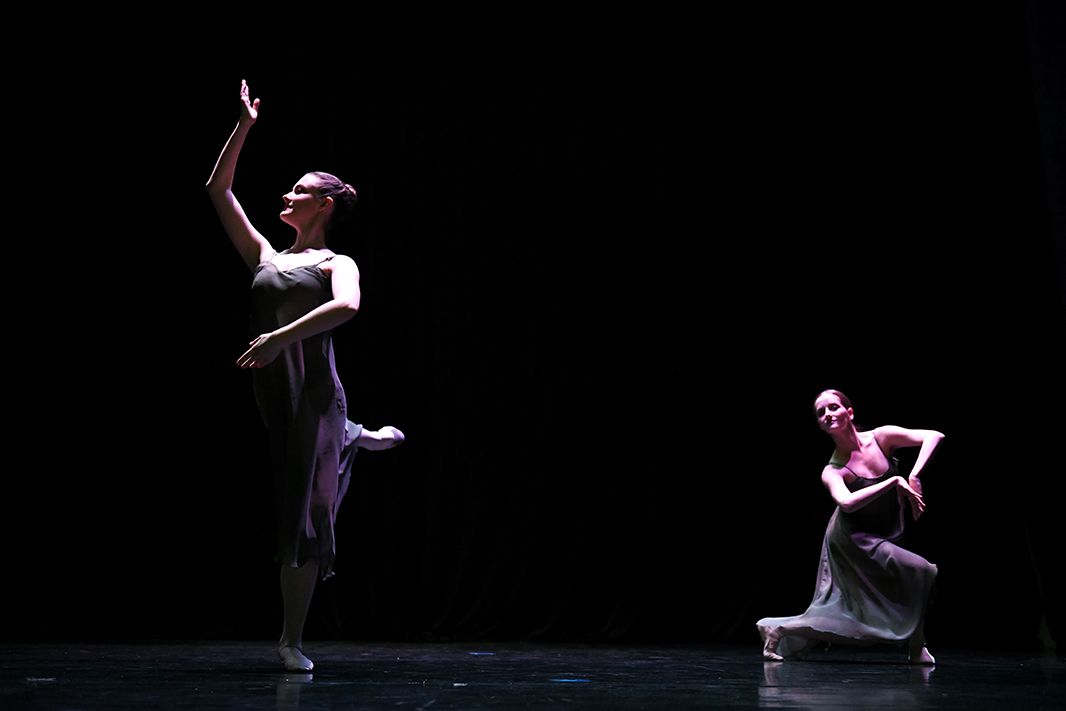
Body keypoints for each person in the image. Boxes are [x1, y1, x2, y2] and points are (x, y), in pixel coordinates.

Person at [206, 80, 405, 672]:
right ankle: (354, 436)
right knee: (297, 494)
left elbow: (348, 306)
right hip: (276, 394)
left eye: (299, 191)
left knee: (305, 514)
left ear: (324, 206)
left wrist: (278, 338)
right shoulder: (267, 256)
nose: (287, 196)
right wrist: (244, 126)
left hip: (315, 394)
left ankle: (290, 640)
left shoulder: (336, 262)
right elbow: (218, 190)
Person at [756, 389, 942, 664]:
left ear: (850, 412)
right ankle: (917, 646)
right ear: (820, 425)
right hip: (852, 539)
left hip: (881, 530)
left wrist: (914, 475)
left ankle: (778, 629)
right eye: (821, 413)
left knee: (905, 585)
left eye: (833, 407)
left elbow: (934, 436)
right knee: (917, 574)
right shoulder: (833, 470)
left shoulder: (881, 437)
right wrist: (893, 481)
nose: (828, 414)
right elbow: (847, 503)